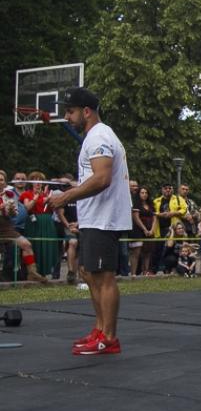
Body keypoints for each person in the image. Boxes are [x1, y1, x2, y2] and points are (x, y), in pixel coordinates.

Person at [48, 87, 133, 356]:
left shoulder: (99, 136)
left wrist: (66, 197)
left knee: (103, 276)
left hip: (103, 219)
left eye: (70, 111)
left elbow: (102, 178)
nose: (67, 116)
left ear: (86, 111)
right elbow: (94, 178)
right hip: (94, 217)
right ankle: (100, 330)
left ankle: (109, 337)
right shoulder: (94, 137)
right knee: (89, 273)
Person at [0, 170, 47, 282]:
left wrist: (11, 211)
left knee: (26, 245)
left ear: (5, 182)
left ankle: (32, 273)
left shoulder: (9, 195)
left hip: (6, 228)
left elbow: (14, 215)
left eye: (1, 180)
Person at [132, 186, 157, 275]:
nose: (144, 194)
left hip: (150, 231)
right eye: (142, 193)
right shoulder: (136, 205)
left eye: (146, 193)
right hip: (138, 231)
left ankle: (145, 272)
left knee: (148, 252)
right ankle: (133, 274)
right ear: (139, 194)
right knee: (137, 253)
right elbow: (136, 218)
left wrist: (152, 230)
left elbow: (155, 218)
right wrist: (144, 229)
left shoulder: (151, 205)